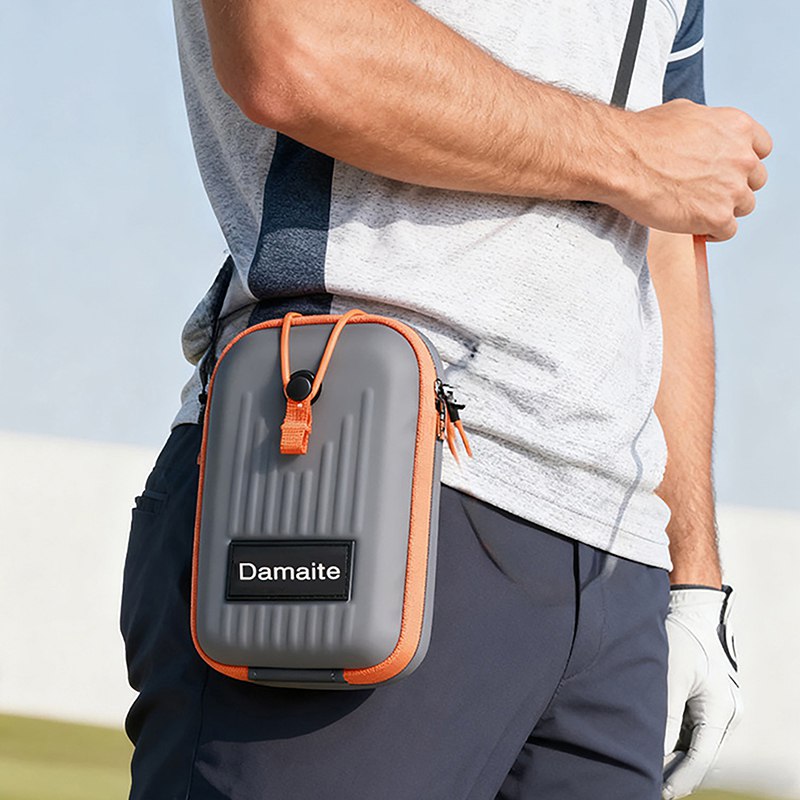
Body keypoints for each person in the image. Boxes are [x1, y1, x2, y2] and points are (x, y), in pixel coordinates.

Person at [120, 0, 771, 797]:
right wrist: (632, 154)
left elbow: (670, 213)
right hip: (359, 472)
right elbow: (294, 50)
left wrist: (695, 584)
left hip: (613, 562)